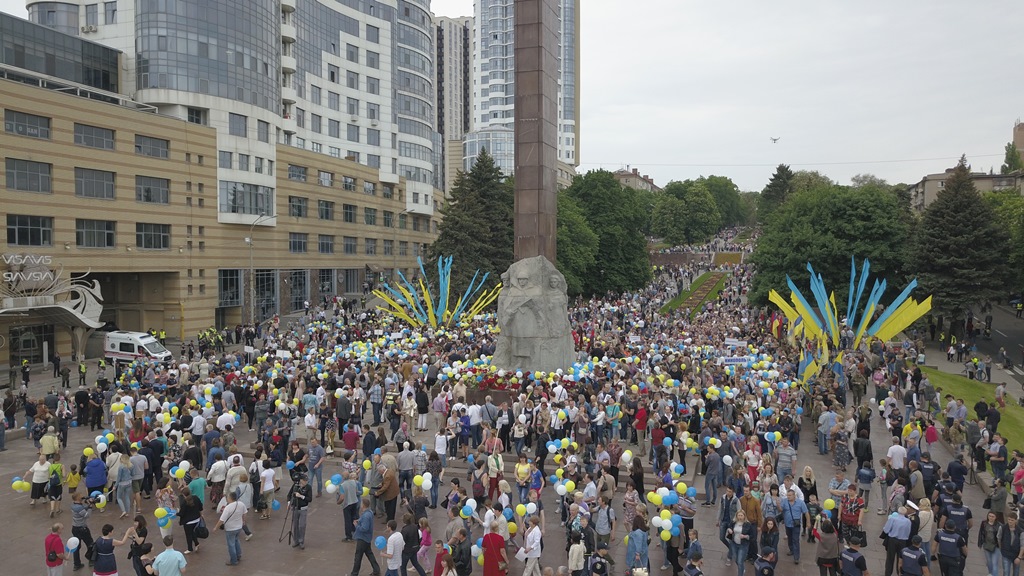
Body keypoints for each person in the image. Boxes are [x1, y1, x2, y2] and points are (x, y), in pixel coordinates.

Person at [212, 490, 247, 565]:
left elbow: (222, 520)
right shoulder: (241, 504)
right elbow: (245, 513)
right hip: (239, 526)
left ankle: (233, 561)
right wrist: (243, 521)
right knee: (236, 541)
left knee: (231, 544)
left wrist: (216, 527)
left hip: (230, 528)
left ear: (230, 498)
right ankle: (238, 555)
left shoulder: (228, 508)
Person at [351, 497, 382, 576]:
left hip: (362, 538)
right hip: (367, 538)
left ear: (363, 505)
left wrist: (356, 525)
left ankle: (354, 573)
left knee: (358, 557)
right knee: (369, 554)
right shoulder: (369, 512)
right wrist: (359, 520)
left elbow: (364, 528)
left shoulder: (366, 515)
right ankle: (376, 570)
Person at [781, 489, 809, 563]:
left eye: (790, 495)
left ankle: (796, 557)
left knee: (795, 540)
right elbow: (781, 509)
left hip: (796, 524)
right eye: (787, 495)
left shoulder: (800, 503)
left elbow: (806, 512)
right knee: (789, 538)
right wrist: (778, 505)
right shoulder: (784, 501)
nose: (788, 497)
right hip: (787, 524)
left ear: (794, 495)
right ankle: (791, 549)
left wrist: (808, 522)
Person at [286, 473, 312, 550]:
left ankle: (301, 541)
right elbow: (289, 495)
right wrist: (289, 502)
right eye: (304, 480)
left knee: (302, 525)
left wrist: (301, 496)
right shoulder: (295, 486)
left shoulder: (308, 487)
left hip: (303, 509)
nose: (306, 482)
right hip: (295, 508)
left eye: (306, 480)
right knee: (295, 525)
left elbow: (309, 499)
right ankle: (296, 540)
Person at [726, 509, 754, 575]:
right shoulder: (733, 522)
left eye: (741, 515)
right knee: (736, 559)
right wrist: (729, 529)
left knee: (740, 561)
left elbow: (752, 536)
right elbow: (729, 527)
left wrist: (745, 536)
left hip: (743, 545)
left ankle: (740, 573)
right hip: (734, 543)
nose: (740, 517)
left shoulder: (748, 524)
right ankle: (742, 568)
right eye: (738, 515)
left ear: (744, 516)